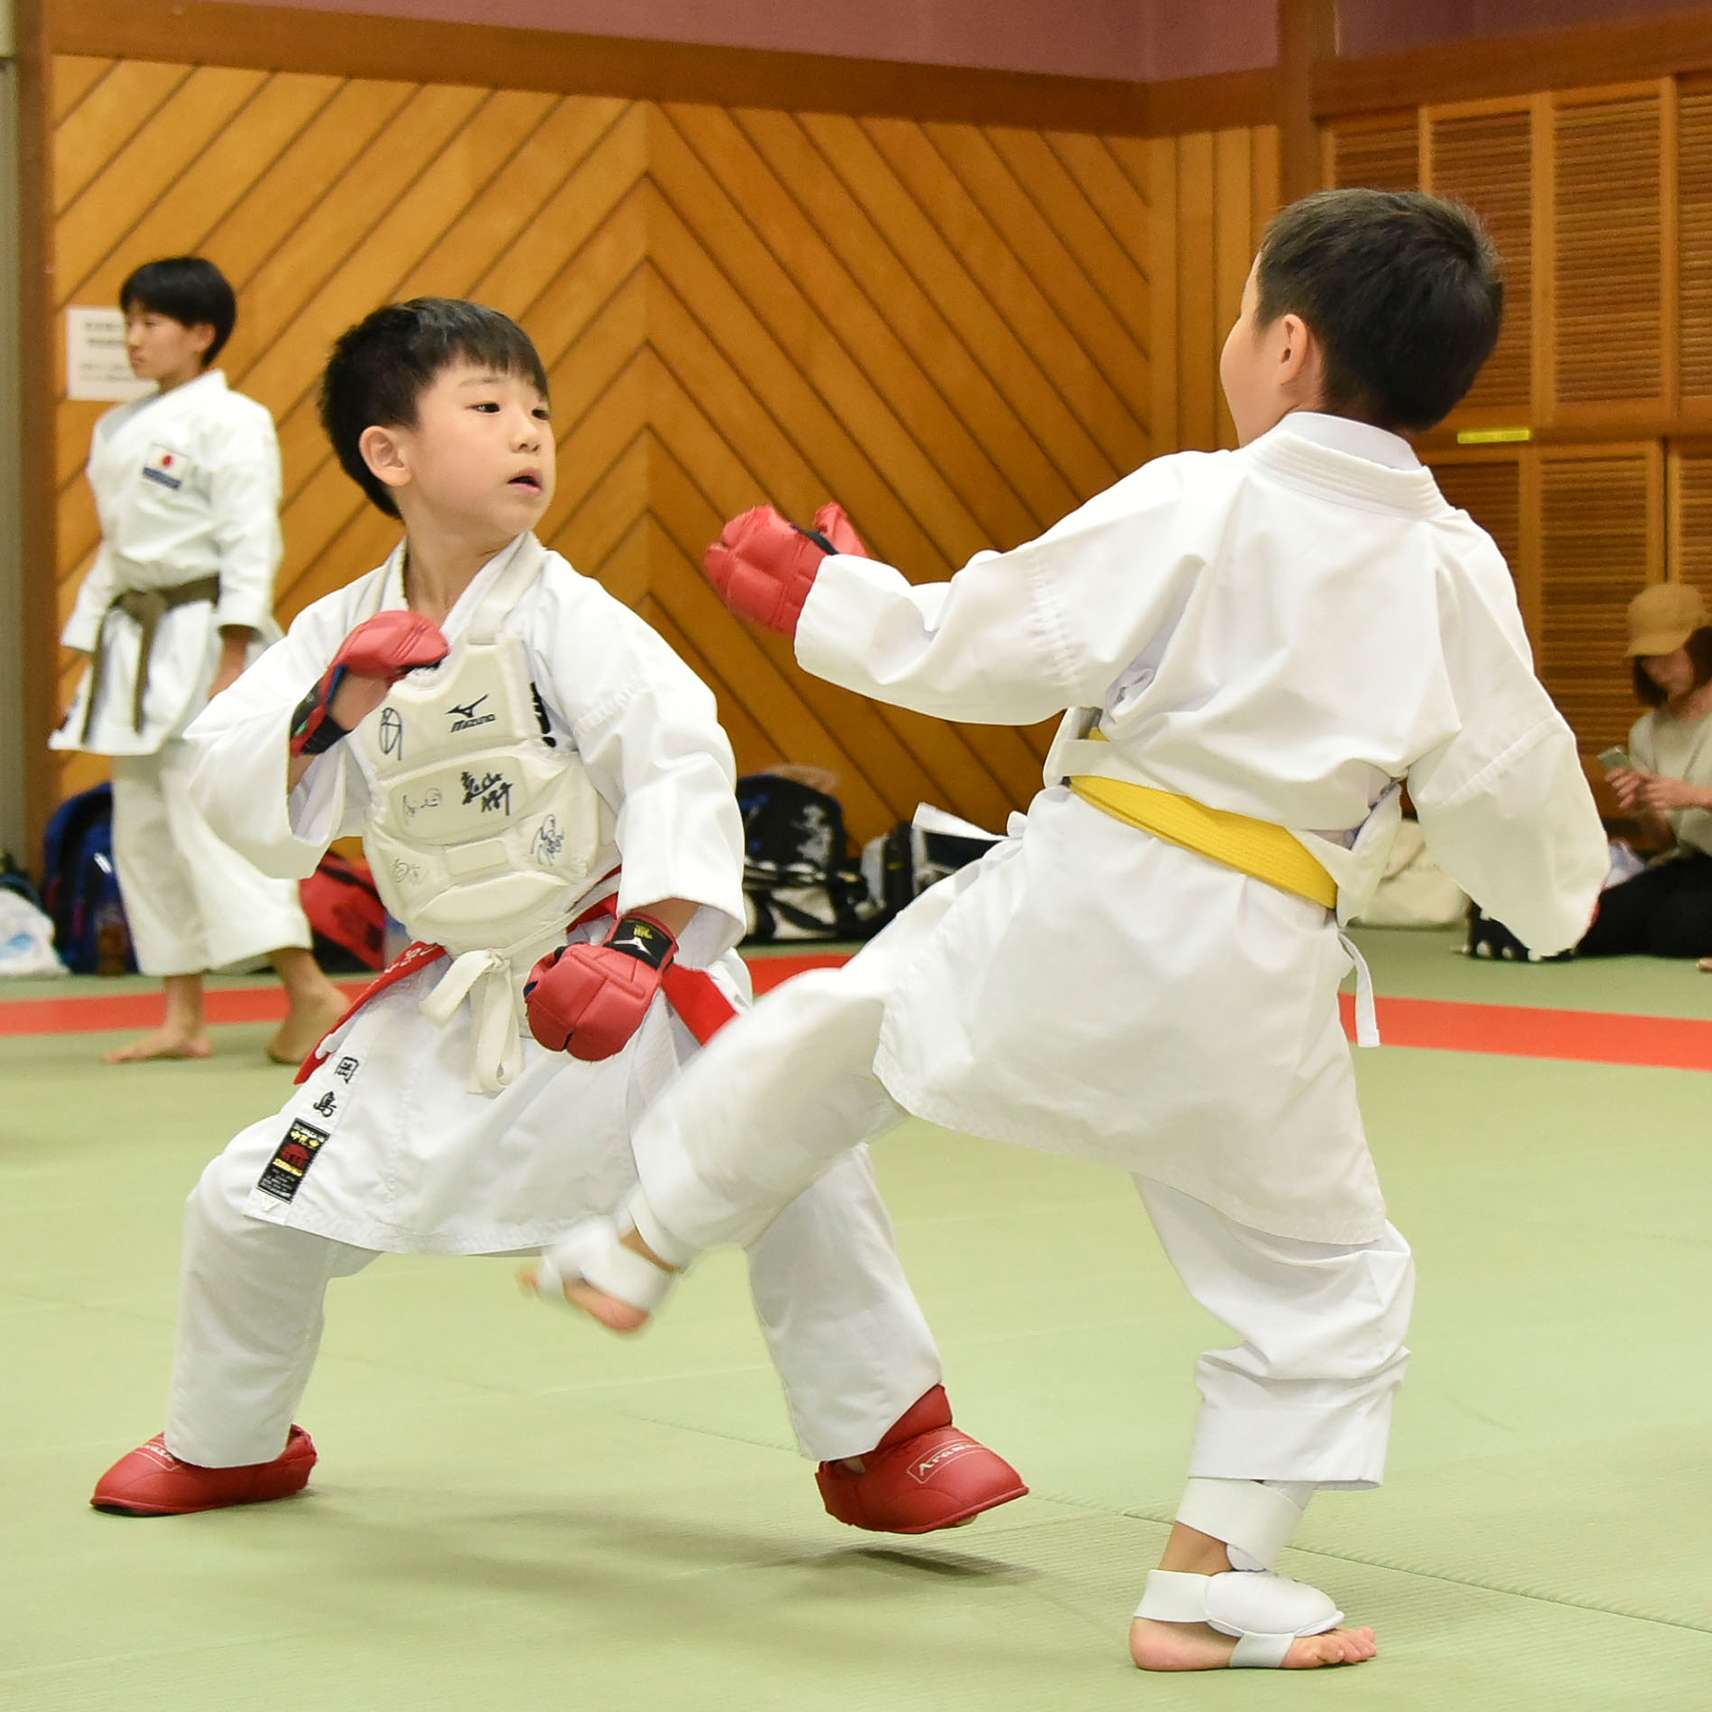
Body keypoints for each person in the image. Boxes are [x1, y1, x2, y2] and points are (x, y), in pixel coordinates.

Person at [520, 192, 1610, 1673]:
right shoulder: (1453, 566)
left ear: (1285, 347)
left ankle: (639, 1240)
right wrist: (1560, 903)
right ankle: (1207, 1585)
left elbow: (1001, 640)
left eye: (1239, 316)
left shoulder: (1203, 499)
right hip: (1258, 965)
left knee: (848, 1031)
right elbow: (1505, 780)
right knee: (1329, 1286)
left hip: (1087, 891)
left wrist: (832, 601)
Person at [88, 298, 1024, 1535]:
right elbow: (239, 794)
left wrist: (641, 944)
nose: (528, 431)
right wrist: (335, 699)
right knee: (245, 1196)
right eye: (486, 406)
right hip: (450, 988)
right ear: (391, 452)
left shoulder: (571, 617)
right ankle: (227, 1441)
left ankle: (890, 1438)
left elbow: (678, 769)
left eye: (538, 409)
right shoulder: (336, 629)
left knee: (787, 1149)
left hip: (614, 970)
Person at [53, 256, 346, 1064]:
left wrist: (232, 655)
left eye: (150, 323)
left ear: (201, 333)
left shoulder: (234, 421)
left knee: (207, 816)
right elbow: (117, 555)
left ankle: (308, 988)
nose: (135, 339)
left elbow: (252, 540)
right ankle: (182, 1015)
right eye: (130, 324)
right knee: (143, 823)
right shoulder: (117, 429)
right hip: (135, 643)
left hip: (204, 635)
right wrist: (81, 649)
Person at [1577, 582, 1712, 962]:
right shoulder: (1646, 732)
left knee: (1679, 927)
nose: (1658, 670)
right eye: (1647, 659)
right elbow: (1667, 843)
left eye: (1668, 654)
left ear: (1700, 645)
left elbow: (1692, 798)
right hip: (1691, 866)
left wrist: (1697, 796)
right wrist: (1644, 807)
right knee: (1596, 925)